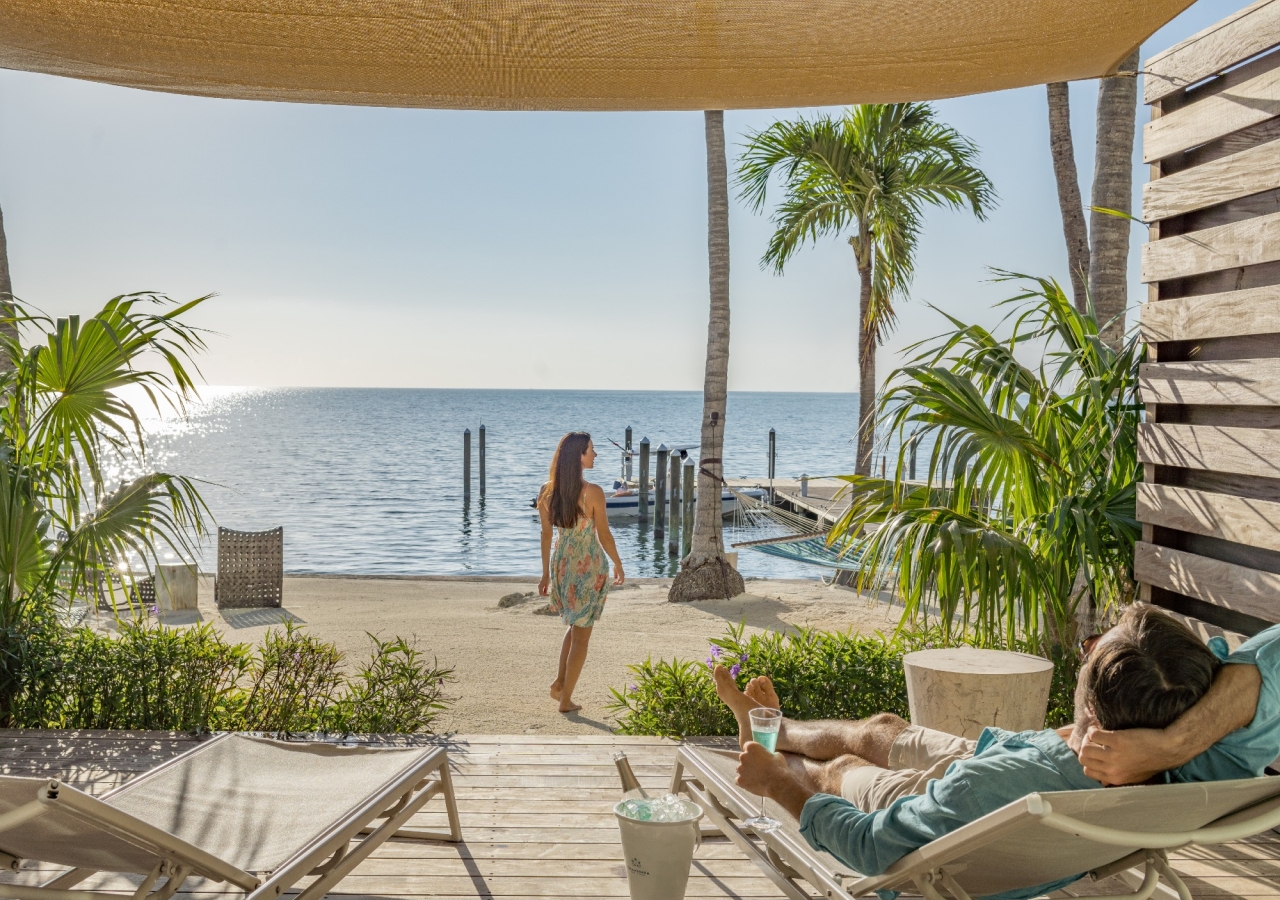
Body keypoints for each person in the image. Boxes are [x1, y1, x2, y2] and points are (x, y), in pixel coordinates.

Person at [716, 605, 1219, 899]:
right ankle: (776, 729)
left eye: (1089, 650)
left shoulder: (981, 789)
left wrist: (775, 784)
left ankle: (763, 753)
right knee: (882, 730)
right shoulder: (1203, 750)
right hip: (1014, 761)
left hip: (988, 799)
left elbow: (870, 848)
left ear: (1090, 699)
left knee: (845, 767)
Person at [1080, 619, 1280, 786]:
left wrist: (1171, 748)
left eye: (1088, 649)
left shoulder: (1059, 785)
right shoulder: (1243, 742)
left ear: (1094, 715)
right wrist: (1172, 745)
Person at [537, 432, 624, 714]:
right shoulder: (593, 492)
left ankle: (560, 683)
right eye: (591, 450)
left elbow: (546, 536)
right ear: (579, 456)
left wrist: (546, 575)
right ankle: (565, 700)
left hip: (562, 565)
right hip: (588, 567)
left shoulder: (547, 492)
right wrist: (618, 564)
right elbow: (605, 535)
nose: (595, 455)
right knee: (582, 636)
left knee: (575, 626)